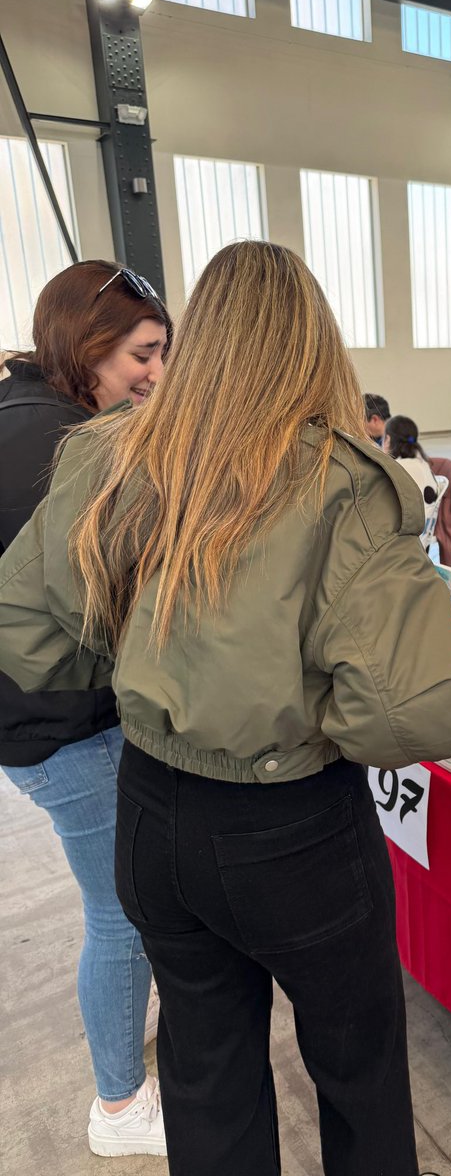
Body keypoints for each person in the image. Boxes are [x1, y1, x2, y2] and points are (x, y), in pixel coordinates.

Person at [0, 241, 451, 1176]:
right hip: (290, 820)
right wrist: (299, 706)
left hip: (149, 808)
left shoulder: (107, 454)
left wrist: (144, 660)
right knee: (360, 1073)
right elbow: (412, 716)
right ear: (314, 342)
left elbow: (26, 634)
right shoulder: (342, 479)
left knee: (205, 1071)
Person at [0, 260, 171, 1158]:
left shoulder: (26, 413)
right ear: (88, 342)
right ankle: (117, 1106)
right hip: (63, 724)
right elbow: (95, 602)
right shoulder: (58, 444)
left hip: (38, 718)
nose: (154, 374)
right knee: (122, 913)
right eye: (143, 354)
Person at [382, 414, 440, 509]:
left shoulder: (395, 470)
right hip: (427, 521)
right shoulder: (423, 463)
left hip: (405, 521)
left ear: (388, 440)